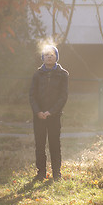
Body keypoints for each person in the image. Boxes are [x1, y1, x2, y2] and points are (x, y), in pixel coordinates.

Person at [29, 45, 69, 182]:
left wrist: (51, 111)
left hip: (54, 116)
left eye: (52, 54)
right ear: (43, 58)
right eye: (46, 55)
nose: (49, 57)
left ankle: (56, 173)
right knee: (40, 145)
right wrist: (38, 111)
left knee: (54, 144)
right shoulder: (37, 74)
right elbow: (32, 96)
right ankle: (41, 173)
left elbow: (63, 96)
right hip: (39, 116)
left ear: (56, 56)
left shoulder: (63, 74)